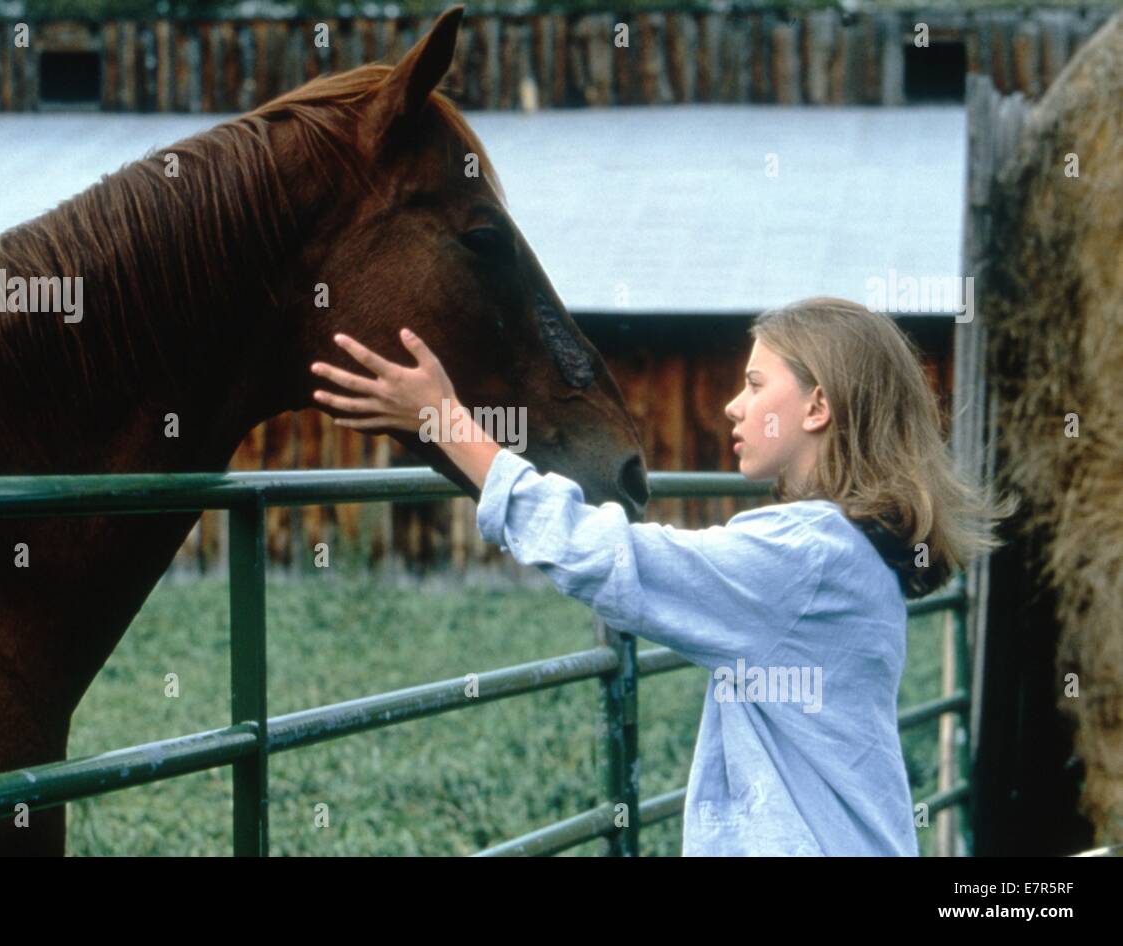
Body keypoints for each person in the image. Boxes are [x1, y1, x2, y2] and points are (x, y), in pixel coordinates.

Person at [307, 296, 1009, 856]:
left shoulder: (806, 556)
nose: (734, 405)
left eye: (756, 383)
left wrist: (446, 422)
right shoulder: (849, 548)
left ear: (818, 407)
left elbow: (607, 556)